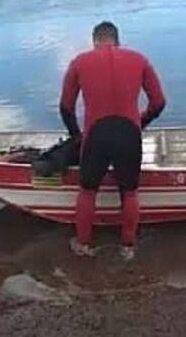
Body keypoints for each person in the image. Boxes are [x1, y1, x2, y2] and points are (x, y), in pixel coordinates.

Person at [59, 21, 166, 260]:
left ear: (94, 41)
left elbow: (66, 108)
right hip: (129, 132)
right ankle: (128, 246)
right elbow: (158, 102)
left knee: (87, 191)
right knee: (129, 192)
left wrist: (77, 136)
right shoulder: (139, 59)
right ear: (117, 40)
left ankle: (83, 244)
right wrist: (141, 122)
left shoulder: (79, 62)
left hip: (96, 133)